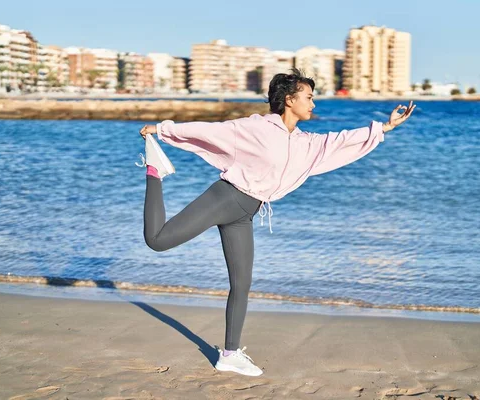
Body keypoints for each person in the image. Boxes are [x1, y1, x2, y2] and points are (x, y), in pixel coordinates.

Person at [138, 68, 416, 376]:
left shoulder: (305, 142)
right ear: (288, 99)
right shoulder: (256, 128)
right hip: (225, 198)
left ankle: (229, 355)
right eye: (308, 97)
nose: (313, 104)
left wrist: (384, 127)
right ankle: (154, 171)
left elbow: (339, 142)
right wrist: (163, 131)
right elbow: (212, 131)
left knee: (241, 284)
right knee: (158, 240)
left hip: (246, 213)